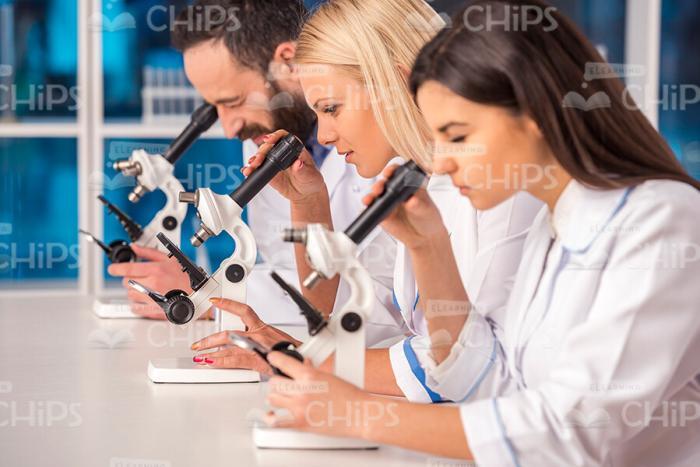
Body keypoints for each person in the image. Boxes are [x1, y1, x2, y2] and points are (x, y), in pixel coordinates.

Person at [262, 0, 700, 464]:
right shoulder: (555, 226)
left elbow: (572, 433)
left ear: (533, 113)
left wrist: (356, 413)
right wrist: (428, 247)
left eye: (457, 134)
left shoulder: (661, 221)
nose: (443, 162)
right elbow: (493, 384)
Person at [191, 0, 542, 405]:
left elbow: (469, 367)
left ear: (394, 85)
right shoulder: (416, 181)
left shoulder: (499, 189)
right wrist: (310, 204)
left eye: (331, 109)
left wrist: (300, 360)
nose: (322, 136)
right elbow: (348, 318)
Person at [107, 0, 402, 343]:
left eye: (233, 101)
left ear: (288, 62)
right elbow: (296, 277)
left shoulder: (382, 142)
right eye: (214, 107)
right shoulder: (265, 137)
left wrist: (211, 297)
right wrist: (213, 293)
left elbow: (397, 307)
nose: (230, 129)